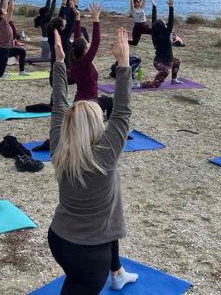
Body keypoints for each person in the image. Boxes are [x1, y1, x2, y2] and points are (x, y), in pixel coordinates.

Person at [47, 27, 138, 294]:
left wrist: (60, 62)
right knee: (79, 285)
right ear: (96, 126)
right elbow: (121, 112)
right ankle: (113, 272)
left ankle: (117, 272)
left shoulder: (59, 148)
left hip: (59, 239)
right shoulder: (105, 155)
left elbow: (59, 106)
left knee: (75, 282)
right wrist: (123, 64)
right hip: (89, 252)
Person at [70, 3, 113, 118]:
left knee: (108, 101)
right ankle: (101, 119)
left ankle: (102, 117)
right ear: (84, 50)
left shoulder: (75, 59)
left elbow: (77, 41)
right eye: (86, 44)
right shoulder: (85, 62)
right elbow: (95, 43)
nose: (88, 44)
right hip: (89, 105)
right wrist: (96, 20)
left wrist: (78, 17)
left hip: (78, 103)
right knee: (112, 102)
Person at [140, 0, 182, 88]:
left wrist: (154, 7)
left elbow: (154, 21)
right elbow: (171, 21)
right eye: (164, 23)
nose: (166, 24)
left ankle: (174, 79)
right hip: (159, 62)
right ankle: (148, 84)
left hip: (167, 61)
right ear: (162, 28)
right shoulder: (166, 35)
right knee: (165, 72)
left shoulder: (155, 33)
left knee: (177, 61)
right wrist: (171, 7)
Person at [27, 0, 56, 64]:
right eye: (47, 12)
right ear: (45, 13)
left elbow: (47, 8)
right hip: (47, 42)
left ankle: (25, 59)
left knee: (50, 57)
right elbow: (51, 11)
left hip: (46, 41)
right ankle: (25, 59)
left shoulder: (41, 19)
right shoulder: (45, 19)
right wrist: (54, 0)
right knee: (44, 58)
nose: (48, 12)